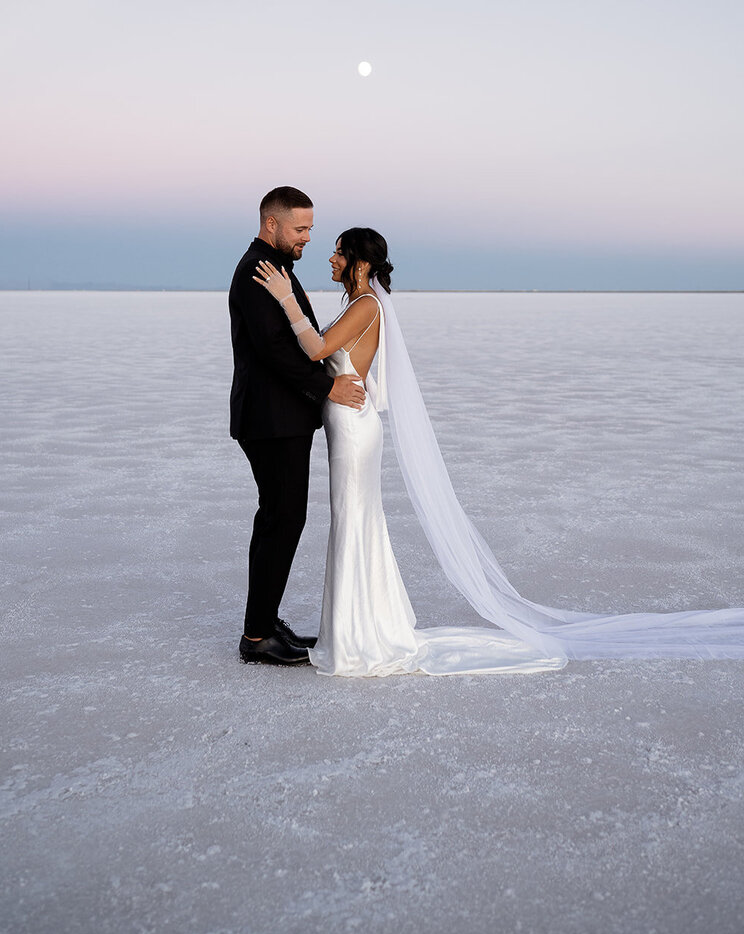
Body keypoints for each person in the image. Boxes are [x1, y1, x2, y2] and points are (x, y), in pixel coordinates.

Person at [255, 227, 744, 675]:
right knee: (352, 519)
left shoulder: (366, 305)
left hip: (354, 427)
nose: (331, 256)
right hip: (346, 419)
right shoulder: (358, 301)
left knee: (356, 520)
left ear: (359, 260)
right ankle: (356, 627)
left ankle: (362, 635)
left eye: (339, 250)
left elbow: (318, 350)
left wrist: (284, 300)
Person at [229, 187, 365, 667]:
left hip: (281, 417)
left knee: (280, 518)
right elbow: (273, 349)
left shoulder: (276, 268)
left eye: (310, 228)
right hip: (269, 419)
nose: (308, 237)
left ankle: (264, 622)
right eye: (300, 228)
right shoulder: (255, 271)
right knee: (282, 519)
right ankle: (257, 635)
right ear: (272, 224)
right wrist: (326, 389)